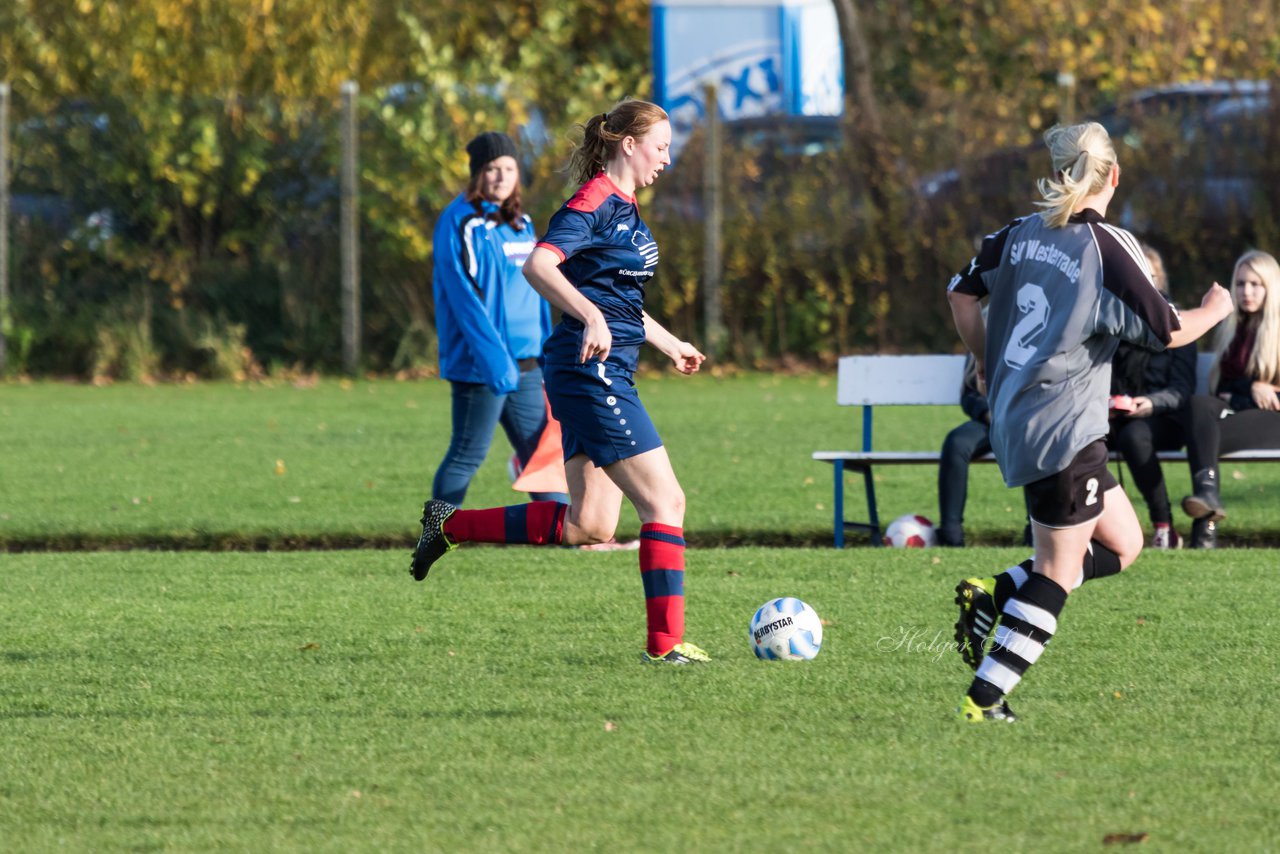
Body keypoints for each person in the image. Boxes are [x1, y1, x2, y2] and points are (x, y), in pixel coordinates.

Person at [946, 121, 1233, 722]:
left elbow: (960, 292)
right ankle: (985, 698)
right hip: (1064, 429)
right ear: (1115, 176)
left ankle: (992, 593)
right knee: (1058, 570)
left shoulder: (1017, 235)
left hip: (1024, 419)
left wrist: (982, 357)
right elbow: (1168, 330)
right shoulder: (1107, 246)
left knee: (1125, 545)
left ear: (1057, 174)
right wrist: (1214, 308)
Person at [410, 99, 711, 665]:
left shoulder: (627, 206)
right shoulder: (593, 200)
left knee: (589, 524)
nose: (667, 160)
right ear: (629, 144)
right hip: (590, 372)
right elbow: (539, 265)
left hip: (598, 369)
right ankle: (666, 647)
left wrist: (669, 343)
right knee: (666, 501)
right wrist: (592, 319)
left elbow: (617, 299)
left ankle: (449, 525)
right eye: (662, 146)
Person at [430, 131, 568, 509]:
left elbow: (538, 290)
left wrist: (547, 349)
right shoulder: (460, 223)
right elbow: (464, 302)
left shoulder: (520, 223)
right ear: (477, 174)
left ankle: (568, 535)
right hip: (483, 367)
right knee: (467, 454)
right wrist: (494, 361)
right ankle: (435, 534)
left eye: (509, 168)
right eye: (492, 168)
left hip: (527, 365)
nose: (501, 176)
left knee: (542, 456)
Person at [1178, 249, 1280, 548]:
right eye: (1240, 283)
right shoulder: (1232, 330)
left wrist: (1256, 390)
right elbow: (1222, 388)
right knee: (1198, 405)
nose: (1245, 291)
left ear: (1270, 286)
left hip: (1273, 421)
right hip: (1238, 415)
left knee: (1204, 437)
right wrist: (1251, 388)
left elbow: (1232, 390)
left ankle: (1205, 524)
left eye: (1255, 284)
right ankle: (1207, 498)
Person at [1106, 243, 1197, 549]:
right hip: (1113, 416)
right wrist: (1103, 404)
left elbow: (1182, 390)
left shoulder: (1180, 325)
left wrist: (1150, 404)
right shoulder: (1107, 321)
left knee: (1134, 436)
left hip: (1164, 419)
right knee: (1073, 433)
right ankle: (1073, 525)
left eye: (1150, 275)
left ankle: (1163, 525)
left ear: (1160, 281)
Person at [937, 352, 1032, 548]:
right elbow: (970, 393)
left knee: (1035, 442)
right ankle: (950, 535)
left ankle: (1037, 533)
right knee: (956, 443)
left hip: (1034, 419)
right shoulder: (986, 327)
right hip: (992, 420)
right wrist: (989, 414)